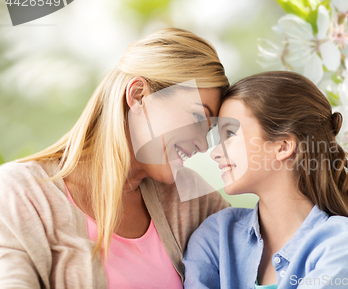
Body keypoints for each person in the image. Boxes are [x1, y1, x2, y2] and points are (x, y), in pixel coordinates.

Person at [0, 28, 230, 288]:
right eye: (198, 118)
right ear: (138, 95)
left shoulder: (193, 199)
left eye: (209, 130)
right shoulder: (21, 193)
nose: (202, 145)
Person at [183, 71, 348, 289]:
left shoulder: (341, 243)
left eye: (229, 134)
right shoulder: (215, 236)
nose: (215, 152)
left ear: (283, 146)